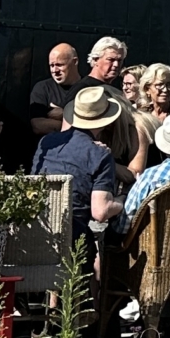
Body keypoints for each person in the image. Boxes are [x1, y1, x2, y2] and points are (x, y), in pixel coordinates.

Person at [32, 86, 125, 238]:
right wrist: (122, 199)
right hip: (73, 237)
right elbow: (101, 212)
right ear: (106, 121)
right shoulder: (100, 154)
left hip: (36, 230)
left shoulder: (47, 142)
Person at [28, 43, 85, 137]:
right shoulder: (43, 88)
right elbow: (38, 126)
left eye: (59, 65)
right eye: (51, 65)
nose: (55, 70)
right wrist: (79, 123)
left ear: (75, 62)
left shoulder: (88, 89)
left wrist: (64, 114)